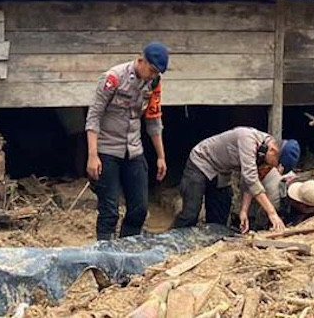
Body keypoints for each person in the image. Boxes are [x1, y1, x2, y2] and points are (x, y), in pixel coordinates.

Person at [84, 42, 169, 240]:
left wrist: (161, 156)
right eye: (151, 70)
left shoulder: (154, 83)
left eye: (157, 73)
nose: (153, 75)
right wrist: (92, 155)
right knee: (109, 211)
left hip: (134, 149)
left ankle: (127, 247)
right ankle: (105, 252)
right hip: (107, 149)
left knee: (139, 209)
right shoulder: (113, 78)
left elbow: (154, 119)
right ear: (141, 61)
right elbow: (94, 116)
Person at [173, 127, 298, 232]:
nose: (273, 167)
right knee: (191, 213)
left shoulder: (266, 154)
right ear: (273, 150)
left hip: (222, 172)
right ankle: (172, 240)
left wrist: (243, 211)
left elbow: (251, 182)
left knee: (219, 218)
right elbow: (251, 179)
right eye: (275, 164)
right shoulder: (248, 139)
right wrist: (272, 213)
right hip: (201, 163)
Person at [243, 172, 314, 231]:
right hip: (253, 195)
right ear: (301, 205)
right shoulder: (275, 201)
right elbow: (260, 222)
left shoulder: (309, 188)